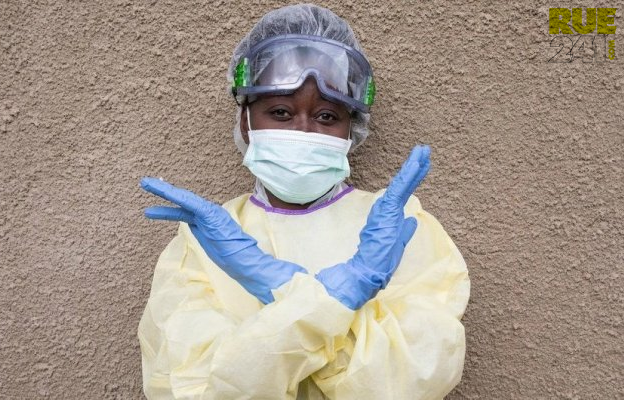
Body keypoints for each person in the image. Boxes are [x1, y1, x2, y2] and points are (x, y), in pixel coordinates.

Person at [137, 4, 470, 400]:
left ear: (351, 130)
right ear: (245, 121)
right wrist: (333, 302)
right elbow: (191, 387)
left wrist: (284, 297)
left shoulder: (398, 227)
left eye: (327, 116)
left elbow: (410, 378)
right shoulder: (205, 240)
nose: (303, 129)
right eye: (280, 112)